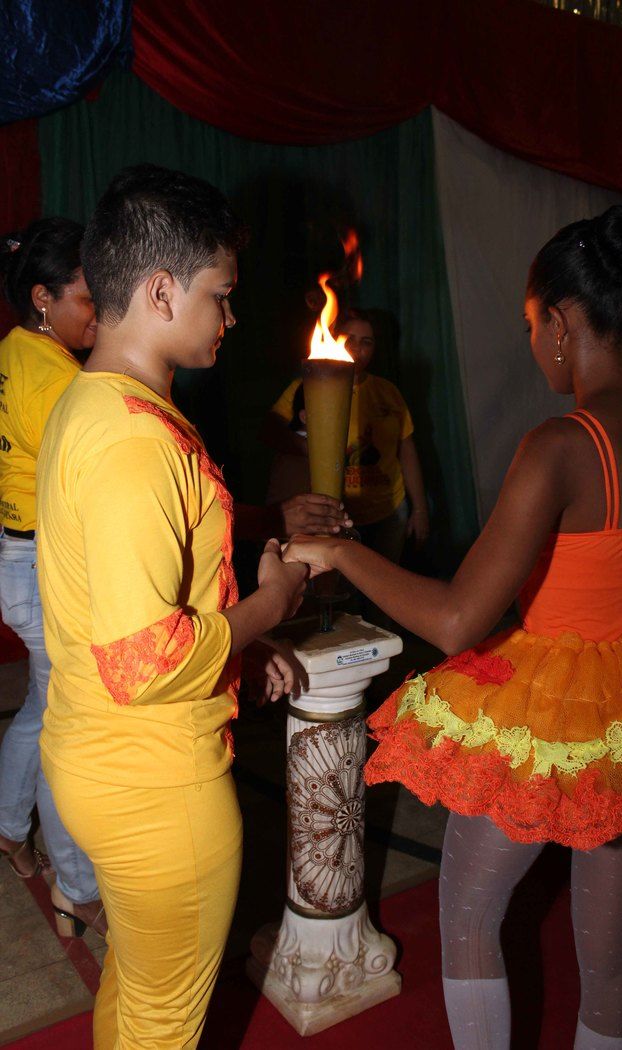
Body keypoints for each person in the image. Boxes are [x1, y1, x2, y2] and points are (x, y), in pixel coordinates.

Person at [284, 205, 622, 1050]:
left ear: (558, 321)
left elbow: (456, 618)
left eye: (528, 324)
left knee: (471, 915)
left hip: (549, 711)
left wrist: (343, 551)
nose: (532, 342)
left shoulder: (561, 444)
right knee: (613, 955)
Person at [36, 165, 308, 1048]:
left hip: (97, 760)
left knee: (136, 993)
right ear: (160, 290)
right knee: (164, 1022)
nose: (229, 319)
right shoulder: (130, 439)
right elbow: (143, 657)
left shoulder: (90, 403)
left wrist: (234, 637)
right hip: (154, 785)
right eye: (219, 296)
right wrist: (268, 606)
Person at [0, 219, 105, 936]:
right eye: (86, 299)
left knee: (41, 714)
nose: (98, 314)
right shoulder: (63, 381)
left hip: (14, 555)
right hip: (43, 566)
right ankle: (76, 883)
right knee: (69, 724)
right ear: (43, 298)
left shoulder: (12, 352)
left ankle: (8, 828)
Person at [263, 309, 429, 563]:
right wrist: (316, 452)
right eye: (349, 338)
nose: (356, 348)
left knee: (383, 584)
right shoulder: (308, 386)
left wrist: (419, 509)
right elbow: (270, 431)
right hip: (335, 513)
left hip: (388, 511)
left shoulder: (387, 392)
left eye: (366, 342)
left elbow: (406, 449)